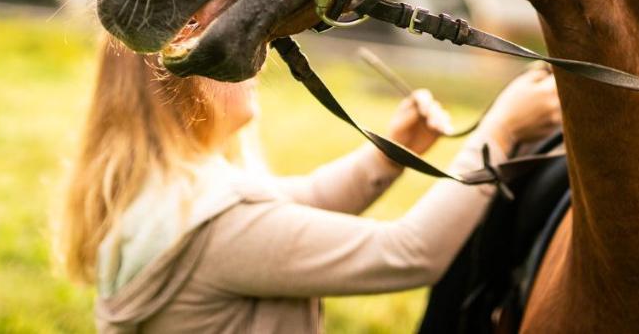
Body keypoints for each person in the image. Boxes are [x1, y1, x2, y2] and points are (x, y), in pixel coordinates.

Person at [58, 36, 561, 333]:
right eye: (229, 50)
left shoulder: (165, 199)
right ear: (178, 87)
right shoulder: (218, 228)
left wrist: (392, 149)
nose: (253, 63)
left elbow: (304, 201)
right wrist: (501, 130)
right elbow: (410, 253)